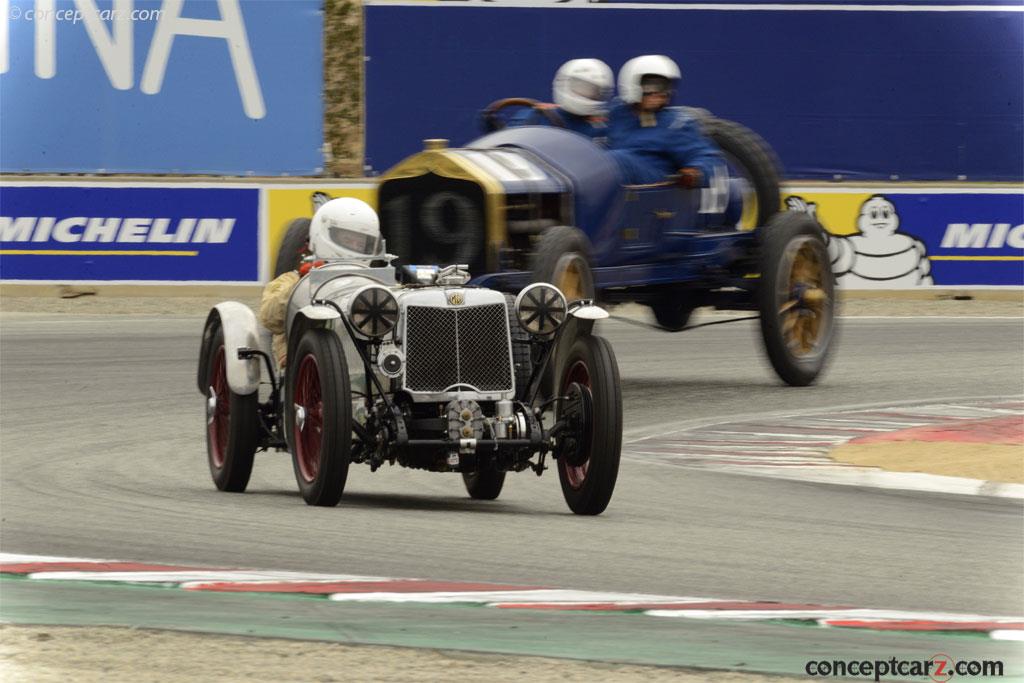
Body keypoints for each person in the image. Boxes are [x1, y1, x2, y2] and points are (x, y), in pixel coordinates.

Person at [259, 197, 383, 367]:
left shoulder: (374, 286)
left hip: (367, 362)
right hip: (305, 363)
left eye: (360, 243)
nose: (354, 246)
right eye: (347, 240)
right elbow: (269, 318)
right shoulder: (293, 279)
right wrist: (302, 283)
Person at [607, 55, 723, 187]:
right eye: (651, 87)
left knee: (616, 160)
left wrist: (695, 173)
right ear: (631, 85)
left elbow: (708, 158)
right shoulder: (615, 113)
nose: (659, 94)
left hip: (655, 183)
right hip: (610, 181)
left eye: (664, 88)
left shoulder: (676, 123)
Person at [506, 58, 613, 140]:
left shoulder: (602, 130)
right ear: (562, 82)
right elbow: (503, 148)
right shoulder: (534, 117)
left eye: (592, 91)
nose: (585, 93)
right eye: (580, 87)